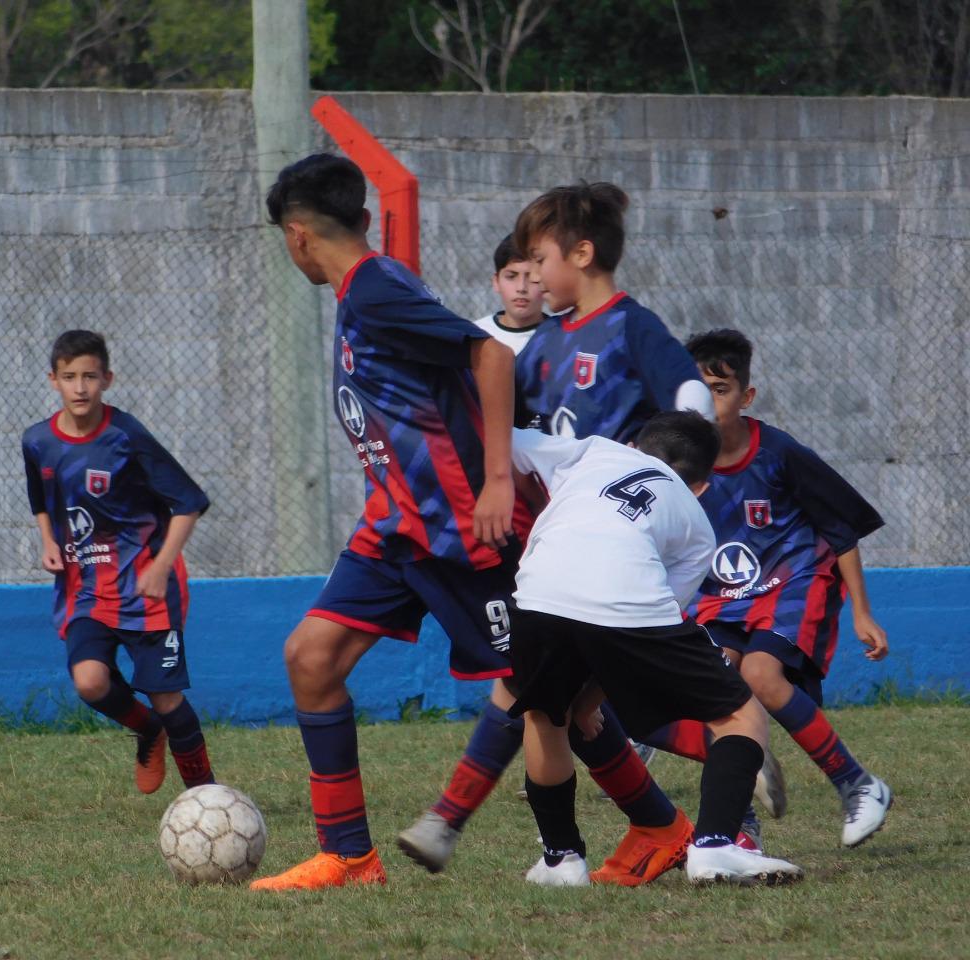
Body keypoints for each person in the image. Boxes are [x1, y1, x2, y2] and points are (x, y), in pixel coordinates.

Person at [250, 154, 690, 892]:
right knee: (312, 659)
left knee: (550, 697)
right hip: (396, 525)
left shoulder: (377, 290)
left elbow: (488, 355)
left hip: (464, 530)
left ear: (297, 235)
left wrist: (495, 481)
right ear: (362, 218)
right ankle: (348, 857)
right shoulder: (369, 289)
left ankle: (669, 812)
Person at [509, 411, 804, 887]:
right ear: (701, 486)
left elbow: (501, 439)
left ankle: (561, 861)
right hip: (630, 602)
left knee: (545, 720)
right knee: (739, 714)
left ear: (632, 445)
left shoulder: (592, 449)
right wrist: (593, 697)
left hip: (537, 592)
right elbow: (646, 617)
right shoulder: (697, 525)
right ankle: (716, 846)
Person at [681, 328, 892, 847]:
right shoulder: (678, 462)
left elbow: (841, 529)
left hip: (792, 579)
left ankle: (858, 784)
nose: (709, 403)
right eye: (699, 391)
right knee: (713, 683)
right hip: (721, 593)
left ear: (746, 396)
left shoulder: (778, 453)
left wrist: (862, 612)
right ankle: (741, 825)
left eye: (721, 390)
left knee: (759, 673)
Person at [21, 329, 214, 796]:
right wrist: (47, 540)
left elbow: (190, 502)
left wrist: (162, 565)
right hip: (86, 589)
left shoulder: (126, 436)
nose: (80, 387)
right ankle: (148, 731)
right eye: (70, 377)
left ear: (107, 379)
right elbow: (40, 497)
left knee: (166, 697)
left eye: (90, 376)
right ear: (53, 380)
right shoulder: (38, 441)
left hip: (147, 588)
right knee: (90, 682)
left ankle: (207, 797)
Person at [512, 181, 713, 442]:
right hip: (560, 470)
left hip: (617, 468)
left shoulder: (633, 326)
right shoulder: (546, 336)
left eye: (539, 260)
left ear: (582, 254)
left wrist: (662, 456)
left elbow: (692, 400)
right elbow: (503, 407)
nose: (534, 276)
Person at [472, 234, 549, 355]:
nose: (521, 288)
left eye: (531, 277)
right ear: (496, 282)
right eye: (511, 276)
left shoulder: (560, 337)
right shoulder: (476, 335)